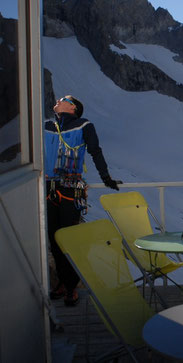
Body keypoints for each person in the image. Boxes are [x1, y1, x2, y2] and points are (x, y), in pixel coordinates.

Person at [45, 95, 121, 306]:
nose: (58, 100)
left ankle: (70, 287)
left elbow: (95, 151)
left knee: (69, 238)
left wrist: (106, 177)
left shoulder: (84, 126)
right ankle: (63, 282)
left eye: (63, 99)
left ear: (73, 107)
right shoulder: (47, 126)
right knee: (54, 239)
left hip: (70, 188)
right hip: (49, 187)